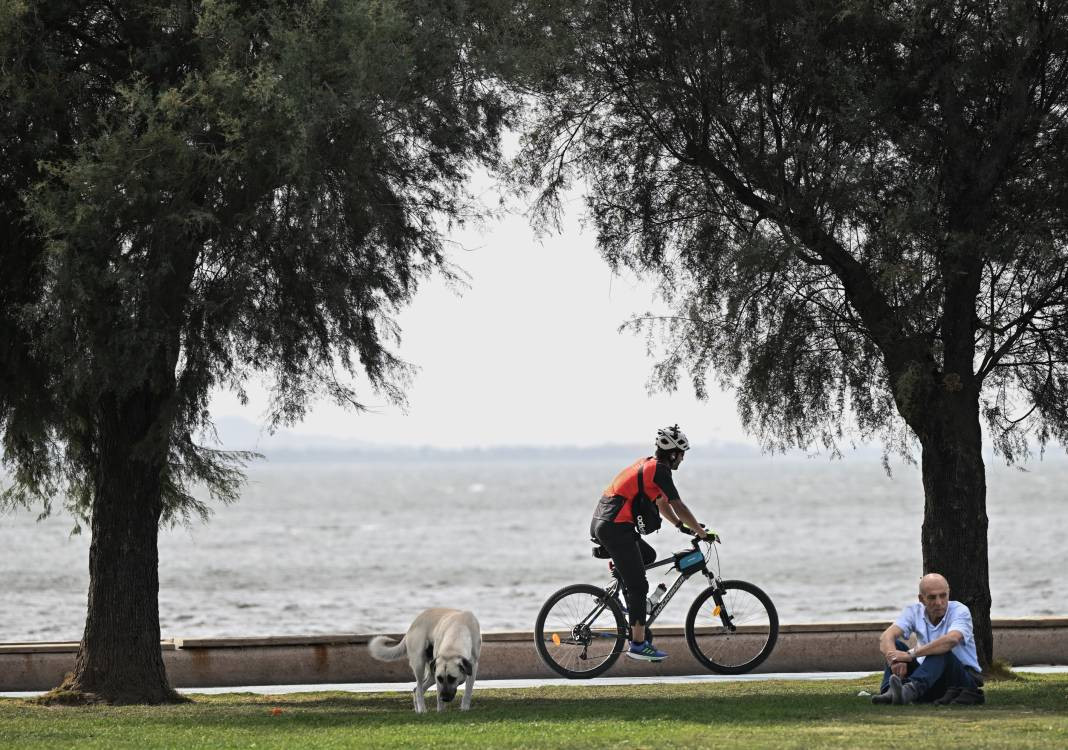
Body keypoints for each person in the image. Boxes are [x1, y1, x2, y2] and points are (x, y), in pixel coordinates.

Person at [590, 424, 712, 661]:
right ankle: (638, 644)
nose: (683, 458)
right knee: (639, 587)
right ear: (673, 453)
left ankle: (619, 584)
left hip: (607, 523)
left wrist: (680, 526)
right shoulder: (659, 470)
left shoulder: (647, 465)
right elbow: (678, 504)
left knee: (647, 556)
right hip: (615, 527)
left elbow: (661, 503)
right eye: (682, 453)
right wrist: (701, 532)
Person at [872, 573, 985, 706]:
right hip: (929, 677)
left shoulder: (960, 611)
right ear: (921, 599)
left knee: (941, 651)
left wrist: (910, 654)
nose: (939, 602)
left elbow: (952, 640)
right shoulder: (913, 611)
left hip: (960, 679)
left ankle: (908, 691)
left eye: (943, 595)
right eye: (932, 597)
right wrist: (895, 660)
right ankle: (890, 692)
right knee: (896, 645)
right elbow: (886, 636)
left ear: (949, 593)